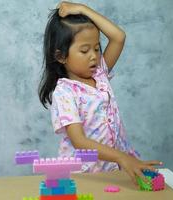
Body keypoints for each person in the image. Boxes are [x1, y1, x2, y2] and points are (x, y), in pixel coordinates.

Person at [38, 1, 162, 186]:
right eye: (84, 50)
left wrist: (82, 9)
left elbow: (119, 37)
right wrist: (121, 157)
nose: (94, 56)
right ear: (61, 56)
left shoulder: (100, 73)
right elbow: (79, 141)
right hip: (84, 174)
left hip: (113, 169)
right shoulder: (64, 92)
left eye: (97, 48)